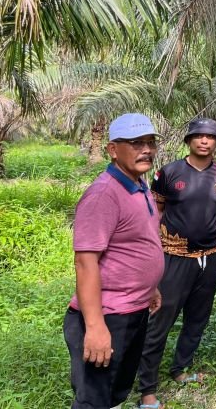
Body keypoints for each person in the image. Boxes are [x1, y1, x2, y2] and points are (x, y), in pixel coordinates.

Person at [63, 113, 164, 409]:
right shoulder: (104, 194)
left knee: (117, 391)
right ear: (112, 150)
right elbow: (85, 263)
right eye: (136, 143)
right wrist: (95, 327)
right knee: (93, 399)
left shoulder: (139, 184)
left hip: (134, 309)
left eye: (150, 142)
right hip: (108, 315)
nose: (146, 150)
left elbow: (137, 243)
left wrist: (151, 287)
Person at [136, 118, 216, 409]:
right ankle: (147, 390)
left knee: (198, 318)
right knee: (160, 320)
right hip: (173, 257)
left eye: (210, 137)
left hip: (210, 257)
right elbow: (156, 211)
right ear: (188, 140)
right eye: (198, 136)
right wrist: (158, 247)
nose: (204, 141)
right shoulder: (169, 172)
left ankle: (180, 369)